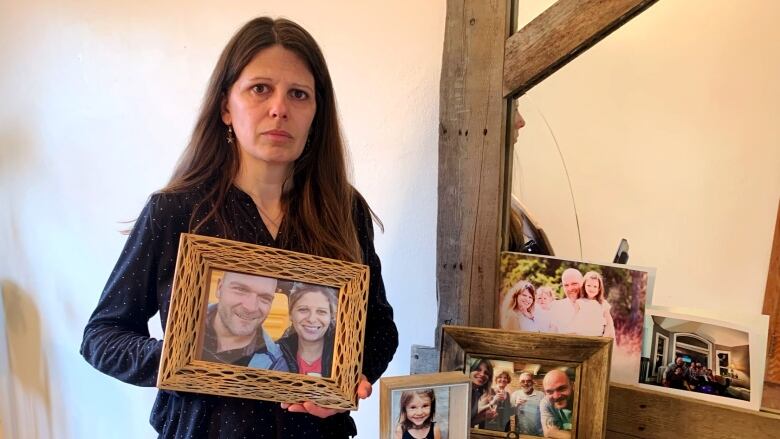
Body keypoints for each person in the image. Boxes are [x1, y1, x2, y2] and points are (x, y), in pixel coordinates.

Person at [80, 17, 398, 438]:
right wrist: (184, 359)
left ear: (316, 113)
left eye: (298, 94)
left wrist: (349, 379)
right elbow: (102, 335)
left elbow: (378, 328)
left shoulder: (343, 209)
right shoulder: (175, 211)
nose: (279, 108)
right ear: (226, 106)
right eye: (260, 89)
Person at [201, 271, 288, 369]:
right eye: (241, 289)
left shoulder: (276, 365)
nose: (251, 308)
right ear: (219, 288)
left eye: (265, 298)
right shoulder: (183, 319)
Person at [266, 282, 337, 376]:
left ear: (331, 316)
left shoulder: (345, 356)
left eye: (321, 311)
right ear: (290, 314)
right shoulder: (272, 356)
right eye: (303, 309)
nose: (311, 319)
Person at [571, 271, 615, 337]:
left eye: (595, 286)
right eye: (589, 285)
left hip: (597, 338)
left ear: (599, 288)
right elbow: (573, 320)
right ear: (584, 286)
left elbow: (609, 323)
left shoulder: (603, 304)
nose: (592, 289)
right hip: (581, 336)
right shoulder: (579, 302)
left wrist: (604, 337)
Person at [539, 370, 573, 438]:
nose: (556, 396)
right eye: (549, 392)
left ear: (572, 386)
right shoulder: (546, 403)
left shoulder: (585, 400)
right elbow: (549, 433)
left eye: (562, 389)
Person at [549, 268, 583, 334]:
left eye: (574, 284)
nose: (570, 288)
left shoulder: (593, 305)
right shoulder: (556, 307)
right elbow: (552, 334)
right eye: (566, 285)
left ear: (583, 282)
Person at [510, 372, 543, 436]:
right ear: (520, 383)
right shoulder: (515, 394)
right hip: (520, 432)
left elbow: (545, 413)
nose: (525, 383)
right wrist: (516, 405)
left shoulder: (541, 395)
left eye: (528, 381)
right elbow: (510, 413)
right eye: (523, 381)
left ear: (532, 382)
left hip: (537, 433)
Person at [470, 359, 497, 428]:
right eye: (478, 369)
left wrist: (482, 417)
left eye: (486, 373)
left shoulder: (477, 394)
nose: (482, 374)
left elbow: (470, 423)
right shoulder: (458, 391)